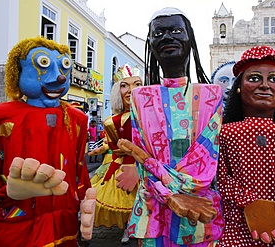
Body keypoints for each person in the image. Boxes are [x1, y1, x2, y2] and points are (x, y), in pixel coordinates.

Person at [116, 7, 224, 246]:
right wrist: (169, 195)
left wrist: (179, 193)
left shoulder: (211, 94)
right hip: (153, 209)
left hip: (198, 209)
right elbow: (143, 164)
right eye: (159, 33)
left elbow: (207, 159)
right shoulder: (140, 97)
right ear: (151, 44)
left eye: (176, 31)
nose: (167, 38)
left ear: (190, 39)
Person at [0, 37, 95, 246]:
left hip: (64, 219)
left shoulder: (77, 118)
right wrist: (5, 194)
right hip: (16, 221)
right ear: (17, 71)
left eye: (64, 67)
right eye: (43, 64)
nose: (59, 78)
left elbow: (78, 167)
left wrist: (84, 201)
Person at [217, 45, 275, 246]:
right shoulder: (223, 135)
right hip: (234, 231)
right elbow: (218, 177)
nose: (265, 85)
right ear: (239, 86)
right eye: (255, 78)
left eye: (273, 79)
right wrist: (250, 203)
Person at [90, 64, 142, 244]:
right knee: (125, 198)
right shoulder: (111, 122)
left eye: (136, 84)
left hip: (147, 166)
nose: (130, 90)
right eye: (124, 86)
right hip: (123, 164)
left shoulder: (150, 116)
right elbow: (112, 146)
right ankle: (128, 228)